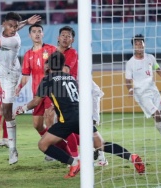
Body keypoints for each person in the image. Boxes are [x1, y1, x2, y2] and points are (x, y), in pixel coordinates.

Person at [15, 51, 145, 178]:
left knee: (43, 144)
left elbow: (36, 101)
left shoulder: (47, 80)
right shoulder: (71, 78)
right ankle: (131, 156)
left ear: (48, 65)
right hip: (82, 117)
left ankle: (75, 162)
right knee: (101, 144)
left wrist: (22, 108)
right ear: (62, 65)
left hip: (66, 120)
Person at [0, 3, 41, 165]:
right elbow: (13, 25)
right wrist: (26, 22)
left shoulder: (13, 41)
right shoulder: (4, 29)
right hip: (2, 74)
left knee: (6, 111)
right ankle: (9, 142)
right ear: (4, 25)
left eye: (15, 27)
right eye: (11, 26)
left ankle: (12, 149)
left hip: (10, 77)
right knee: (4, 111)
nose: (14, 29)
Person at [15, 24, 71, 161]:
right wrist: (19, 87)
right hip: (37, 94)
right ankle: (56, 146)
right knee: (37, 125)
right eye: (34, 32)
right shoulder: (28, 54)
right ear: (30, 35)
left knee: (50, 120)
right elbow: (26, 76)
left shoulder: (51, 49)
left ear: (43, 34)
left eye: (39, 31)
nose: (37, 34)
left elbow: (62, 67)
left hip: (51, 93)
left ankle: (58, 152)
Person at [56, 26, 105, 163]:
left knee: (87, 127)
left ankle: (97, 155)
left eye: (68, 36)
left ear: (72, 40)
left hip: (85, 93)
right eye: (63, 35)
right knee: (74, 128)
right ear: (58, 38)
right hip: (72, 94)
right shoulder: (53, 54)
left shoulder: (72, 53)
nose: (65, 38)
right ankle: (87, 154)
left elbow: (65, 72)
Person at [125, 34, 161, 145]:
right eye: (136, 44)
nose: (139, 46)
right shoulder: (130, 63)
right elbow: (127, 80)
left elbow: (158, 69)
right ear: (133, 47)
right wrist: (130, 90)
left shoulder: (150, 57)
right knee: (156, 114)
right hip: (141, 94)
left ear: (144, 45)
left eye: (141, 43)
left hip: (153, 90)